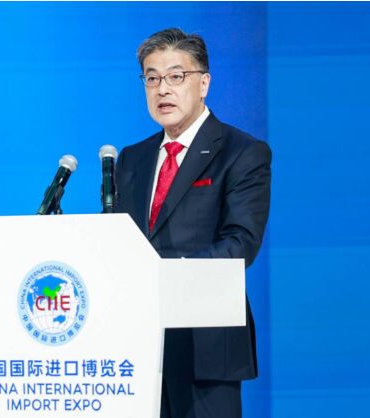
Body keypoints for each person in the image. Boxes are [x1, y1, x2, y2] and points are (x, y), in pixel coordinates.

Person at [115, 28, 272, 418]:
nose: (162, 89)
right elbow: (118, 244)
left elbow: (241, 243)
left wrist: (168, 278)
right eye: (152, 78)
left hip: (206, 345)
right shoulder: (132, 159)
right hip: (139, 347)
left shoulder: (242, 152)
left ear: (204, 84)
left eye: (176, 76)